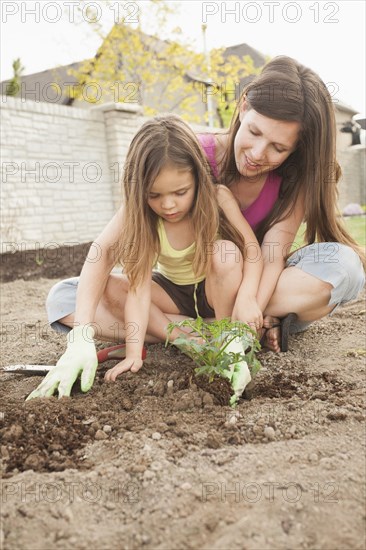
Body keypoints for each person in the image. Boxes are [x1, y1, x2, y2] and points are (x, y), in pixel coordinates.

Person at [26, 114, 263, 400]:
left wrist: (248, 298)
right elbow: (136, 288)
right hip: (171, 294)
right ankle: (184, 336)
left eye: (180, 192)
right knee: (101, 290)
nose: (168, 204)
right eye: (154, 195)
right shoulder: (141, 215)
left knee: (224, 253)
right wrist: (131, 351)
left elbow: (251, 250)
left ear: (198, 178)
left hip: (216, 293)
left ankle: (225, 336)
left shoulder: (218, 197)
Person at [198, 55, 365, 352]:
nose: (258, 154)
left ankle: (221, 326)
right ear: (244, 106)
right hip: (196, 286)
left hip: (258, 288)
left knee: (346, 267)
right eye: (254, 132)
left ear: (295, 149)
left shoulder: (292, 179)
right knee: (87, 294)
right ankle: (243, 321)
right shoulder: (196, 155)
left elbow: (271, 257)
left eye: (278, 148)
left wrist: (245, 321)